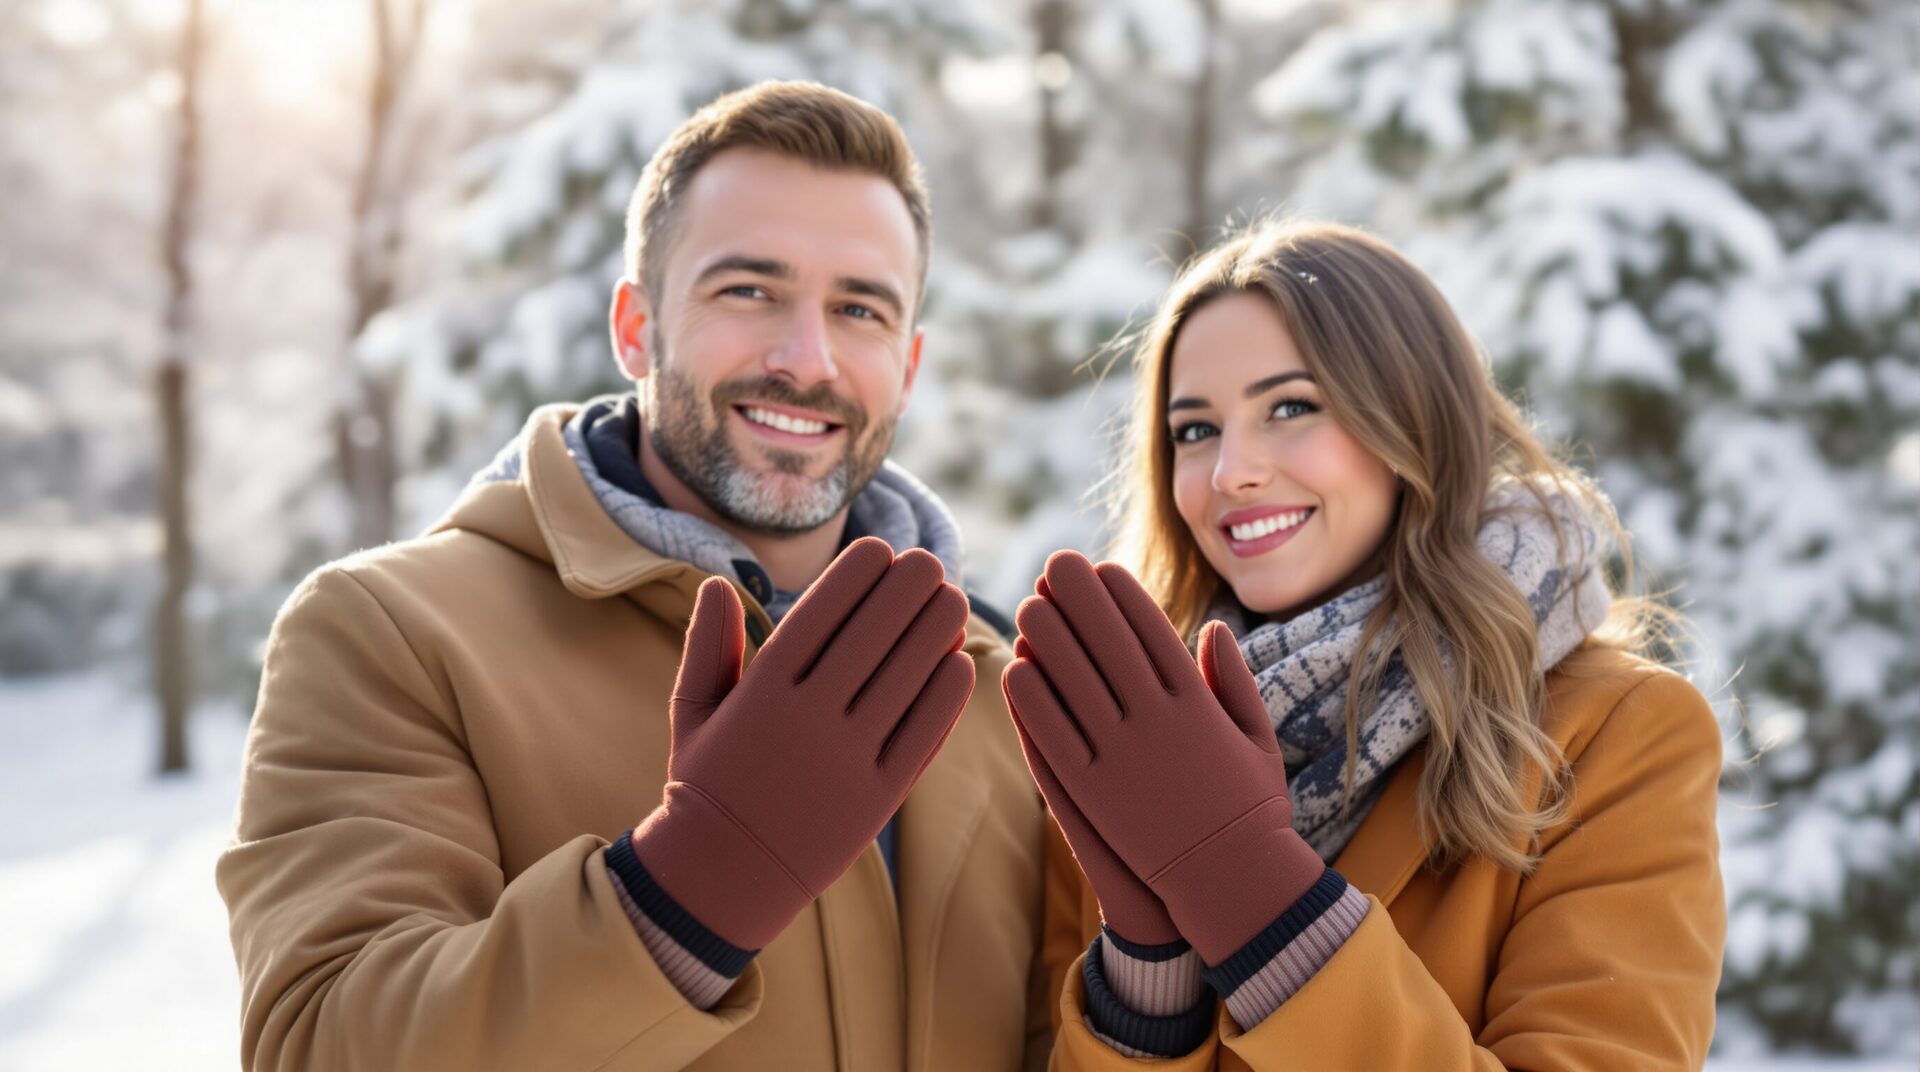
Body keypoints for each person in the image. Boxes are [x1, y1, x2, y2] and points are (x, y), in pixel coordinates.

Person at [217, 81, 1061, 1071]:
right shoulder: (390, 634)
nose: (806, 356)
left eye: (860, 309)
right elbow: (322, 1044)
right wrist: (683, 897)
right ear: (634, 326)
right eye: (749, 290)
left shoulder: (997, 687)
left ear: (909, 366)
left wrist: (1152, 978)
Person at [1004, 220, 1727, 1068]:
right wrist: (1147, 979)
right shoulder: (1128, 747)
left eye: (1291, 408)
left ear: (1413, 424)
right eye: (1194, 430)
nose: (1233, 469)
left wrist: (1251, 893)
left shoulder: (1617, 734)